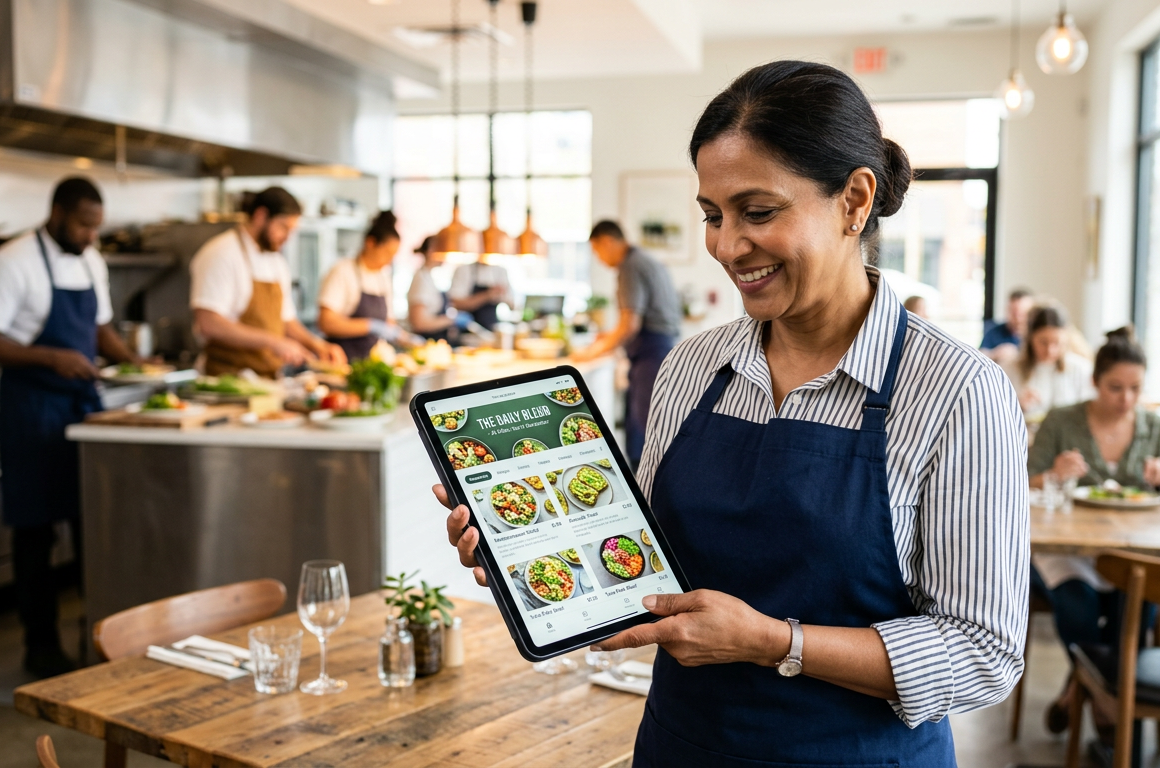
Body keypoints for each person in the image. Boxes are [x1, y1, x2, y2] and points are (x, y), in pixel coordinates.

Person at [438, 61, 1027, 766]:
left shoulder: (957, 391)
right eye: (713, 215)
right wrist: (535, 548)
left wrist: (775, 642)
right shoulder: (692, 368)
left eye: (758, 212)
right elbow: (645, 567)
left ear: (854, 200)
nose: (724, 246)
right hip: (681, 747)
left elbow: (983, 653)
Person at [0, 177, 139, 678]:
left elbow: (99, 327)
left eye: (96, 226)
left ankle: (98, 637)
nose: (90, 235)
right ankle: (39, 645)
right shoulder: (13, 261)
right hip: (30, 409)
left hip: (82, 405)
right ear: (58, 213)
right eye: (84, 224)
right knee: (36, 530)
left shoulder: (91, 260)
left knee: (90, 522)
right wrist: (50, 357)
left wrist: (134, 361)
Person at [1026, 326, 1160, 743]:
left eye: (1136, 388)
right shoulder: (1062, 422)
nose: (1127, 399)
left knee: (1135, 608)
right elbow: (1018, 484)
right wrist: (1052, 475)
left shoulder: (1157, 429)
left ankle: (1082, 688)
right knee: (1078, 604)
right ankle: (1108, 702)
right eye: (1116, 387)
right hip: (1069, 549)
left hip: (1135, 552)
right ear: (1095, 381)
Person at [190, 187, 345, 376]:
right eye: (283, 227)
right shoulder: (221, 253)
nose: (287, 237)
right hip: (227, 379)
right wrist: (272, 341)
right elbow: (209, 323)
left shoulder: (276, 261)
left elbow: (287, 320)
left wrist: (318, 345)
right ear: (261, 216)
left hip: (268, 379)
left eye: (292, 230)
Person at [570, 220, 681, 468]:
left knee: (645, 425)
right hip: (660, 346)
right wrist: (608, 335)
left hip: (652, 351)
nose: (599, 259)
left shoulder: (630, 266)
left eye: (597, 251)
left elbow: (630, 324)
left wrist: (592, 352)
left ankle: (647, 494)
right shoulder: (645, 259)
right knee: (646, 422)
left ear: (607, 241)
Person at [318, 211, 420, 360]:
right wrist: (370, 326)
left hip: (372, 362)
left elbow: (388, 324)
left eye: (393, 256)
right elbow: (326, 322)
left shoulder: (383, 277)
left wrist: (408, 339)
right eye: (386, 253)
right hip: (342, 361)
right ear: (370, 243)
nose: (389, 261)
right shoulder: (343, 270)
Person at [1004, 305, 1095, 419]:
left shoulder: (1081, 369)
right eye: (1043, 342)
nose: (1050, 350)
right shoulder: (1010, 369)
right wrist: (1017, 406)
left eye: (1057, 343)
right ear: (1030, 338)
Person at [407, 236, 456, 341]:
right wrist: (450, 320)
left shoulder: (428, 276)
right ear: (431, 251)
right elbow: (418, 323)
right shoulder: (420, 279)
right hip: (425, 341)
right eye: (443, 250)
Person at [448, 250, 512, 331]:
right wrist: (487, 295)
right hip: (468, 329)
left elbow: (512, 305)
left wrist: (502, 295)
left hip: (492, 328)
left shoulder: (501, 271)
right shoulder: (464, 270)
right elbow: (455, 303)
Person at [981, 287, 1034, 364]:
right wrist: (994, 354)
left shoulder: (1036, 335)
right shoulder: (994, 332)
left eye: (1022, 313)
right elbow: (979, 355)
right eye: (1014, 313)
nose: (1018, 319)